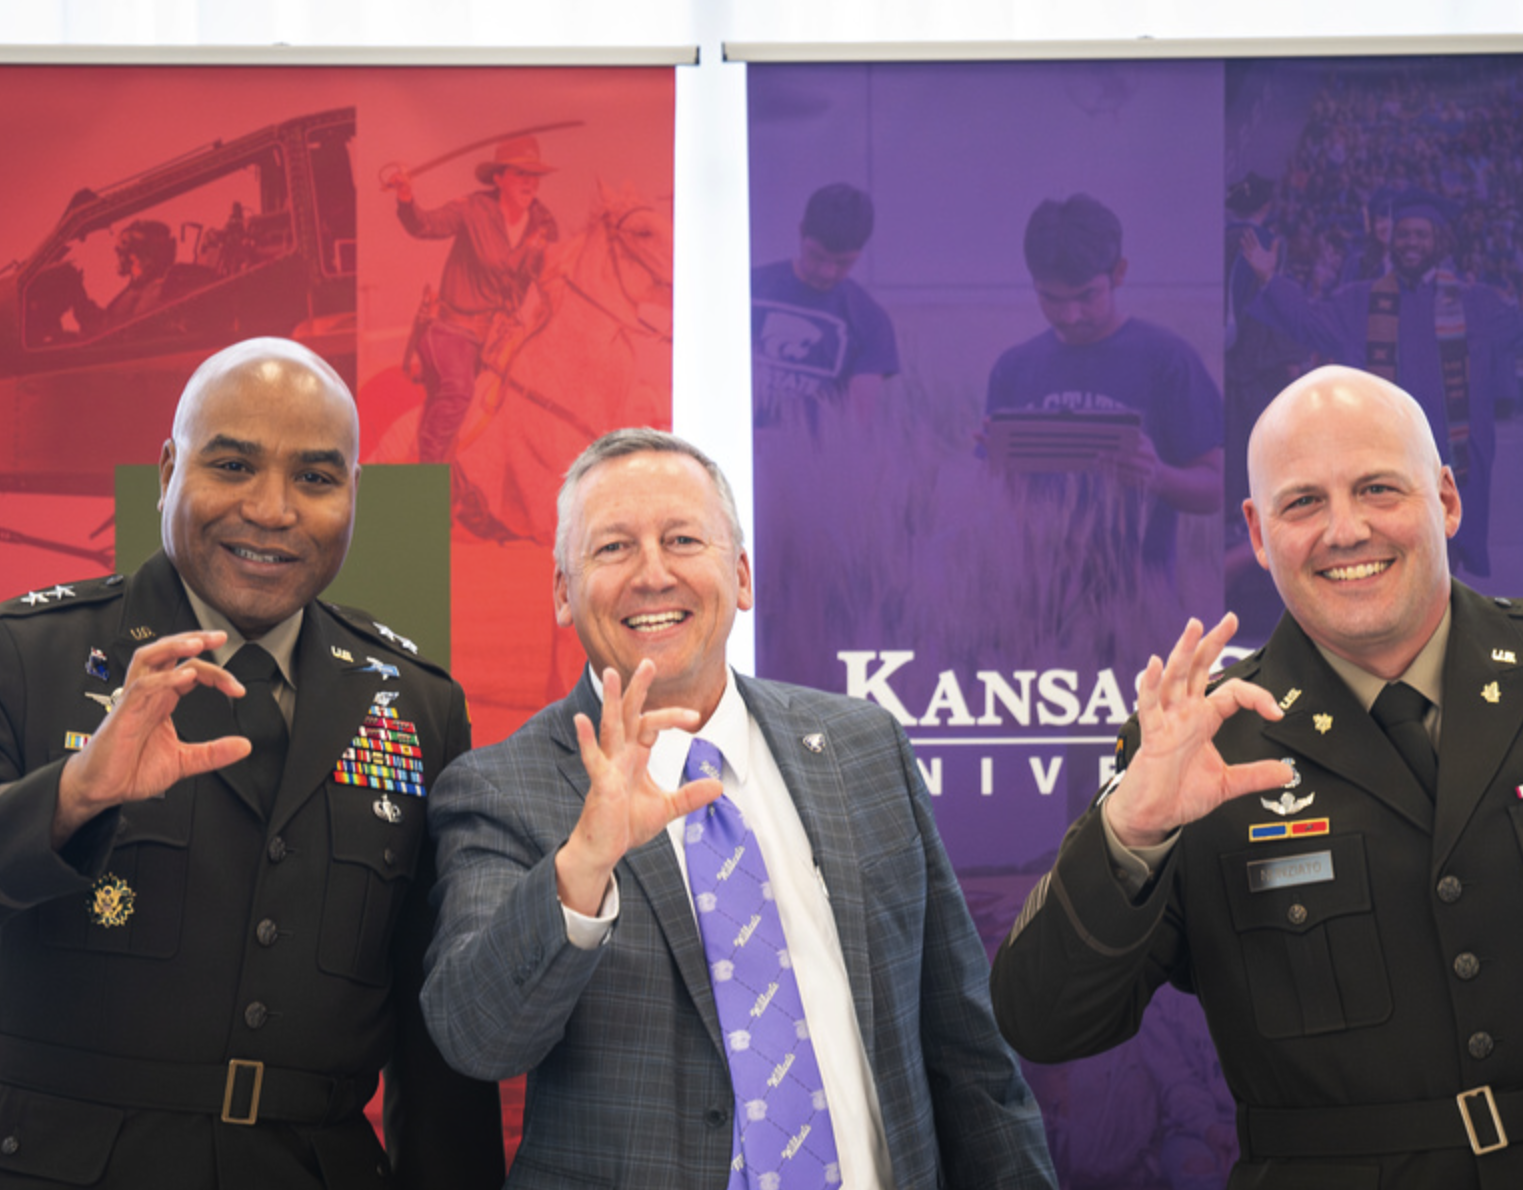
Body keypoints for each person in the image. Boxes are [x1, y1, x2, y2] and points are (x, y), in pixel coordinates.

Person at [990, 366, 1523, 1189]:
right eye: (1303, 503)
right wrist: (1132, 835)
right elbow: (1047, 1023)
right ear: (1256, 533)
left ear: (1443, 497)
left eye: (1377, 489)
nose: (1345, 530)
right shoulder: (1196, 745)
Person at [0, 337, 503, 1189]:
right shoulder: (18, 658)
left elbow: (434, 1037)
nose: (272, 510)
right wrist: (70, 798)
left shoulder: (416, 705)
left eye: (315, 477)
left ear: (353, 496)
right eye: (232, 465)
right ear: (167, 473)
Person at [422, 428, 1056, 1188]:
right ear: (563, 590)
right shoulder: (498, 788)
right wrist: (584, 862)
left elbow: (970, 1054)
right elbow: (478, 1038)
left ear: (743, 576)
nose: (653, 575)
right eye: (613, 548)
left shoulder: (865, 748)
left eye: (683, 539)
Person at [1239, 192, 1523, 577]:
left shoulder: (1474, 303)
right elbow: (1308, 321)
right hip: (1377, 459)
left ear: (1438, 242)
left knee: (1446, 557)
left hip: (1453, 459)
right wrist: (1269, 278)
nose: (1411, 243)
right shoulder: (1359, 302)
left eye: (1420, 236)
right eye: (1404, 235)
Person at [983, 193, 1223, 569]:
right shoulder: (1013, 369)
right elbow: (998, 501)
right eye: (1050, 298)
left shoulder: (1168, 361)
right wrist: (993, 468)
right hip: (1035, 607)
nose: (1070, 314)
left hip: (1143, 611)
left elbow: (1219, 489)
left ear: (1119, 273)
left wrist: (1159, 476)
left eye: (1086, 296)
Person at [391, 135, 561, 463]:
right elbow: (424, 225)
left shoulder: (545, 225)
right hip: (451, 331)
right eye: (519, 174)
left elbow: (549, 279)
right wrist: (406, 197)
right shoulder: (471, 209)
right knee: (458, 390)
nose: (529, 183)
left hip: (501, 338)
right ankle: (425, 478)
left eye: (534, 175)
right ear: (498, 179)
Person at [750, 182, 899, 430]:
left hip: (812, 462)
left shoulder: (871, 320)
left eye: (843, 263)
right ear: (801, 233)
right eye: (816, 256)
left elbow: (856, 424)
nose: (827, 272)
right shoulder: (749, 289)